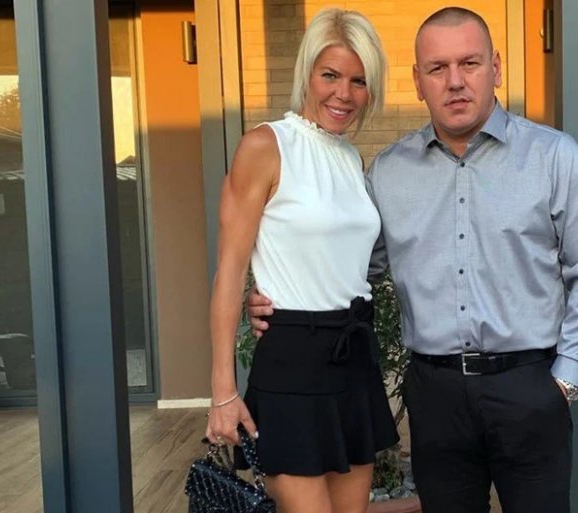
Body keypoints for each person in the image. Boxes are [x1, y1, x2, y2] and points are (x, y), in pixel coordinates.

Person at [249, 7, 578, 513]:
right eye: (438, 68)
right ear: (418, 82)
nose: (455, 81)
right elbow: (355, 266)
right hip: (435, 396)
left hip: (529, 388)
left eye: (470, 63)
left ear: (496, 68)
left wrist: (566, 378)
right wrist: (277, 294)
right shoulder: (388, 172)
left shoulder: (554, 158)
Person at [205, 9, 399, 513]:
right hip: (292, 361)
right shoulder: (265, 145)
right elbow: (230, 271)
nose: (344, 93)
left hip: (354, 357)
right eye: (330, 75)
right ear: (307, 74)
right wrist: (223, 390)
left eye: (359, 81)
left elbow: (340, 260)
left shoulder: (350, 159)